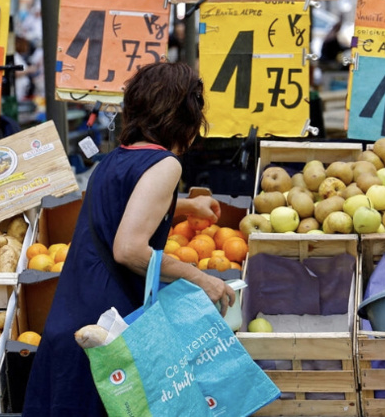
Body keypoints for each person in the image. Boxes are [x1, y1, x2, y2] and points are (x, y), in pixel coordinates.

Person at [22, 62, 236, 416]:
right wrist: (200, 277)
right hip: (108, 334)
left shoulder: (113, 160)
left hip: (70, 320)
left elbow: (124, 206)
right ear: (184, 115)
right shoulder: (166, 164)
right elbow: (128, 250)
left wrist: (188, 206)